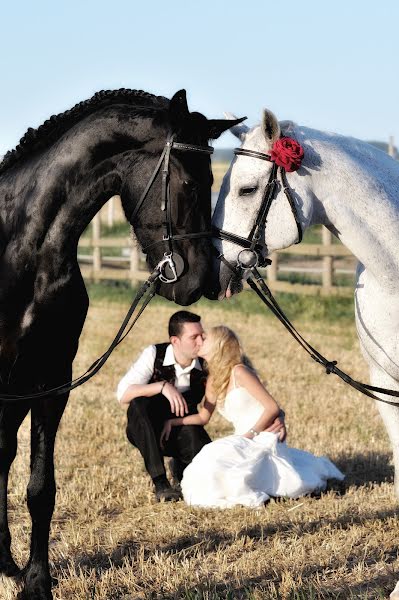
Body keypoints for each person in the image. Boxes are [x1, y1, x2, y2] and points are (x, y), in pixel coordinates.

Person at [160, 326, 344, 508]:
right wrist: (173, 421)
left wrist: (253, 433)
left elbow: (272, 407)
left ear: (219, 345)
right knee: (208, 461)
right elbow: (203, 417)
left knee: (221, 462)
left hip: (263, 435)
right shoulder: (213, 381)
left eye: (205, 338)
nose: (200, 341)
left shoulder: (239, 372)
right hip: (243, 438)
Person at [116, 310, 211, 501]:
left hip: (182, 425)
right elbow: (123, 394)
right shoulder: (154, 354)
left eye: (202, 336)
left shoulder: (207, 362)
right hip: (146, 427)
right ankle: (161, 483)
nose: (201, 342)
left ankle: (182, 467)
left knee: (207, 469)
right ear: (175, 341)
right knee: (138, 403)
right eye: (194, 337)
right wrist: (162, 386)